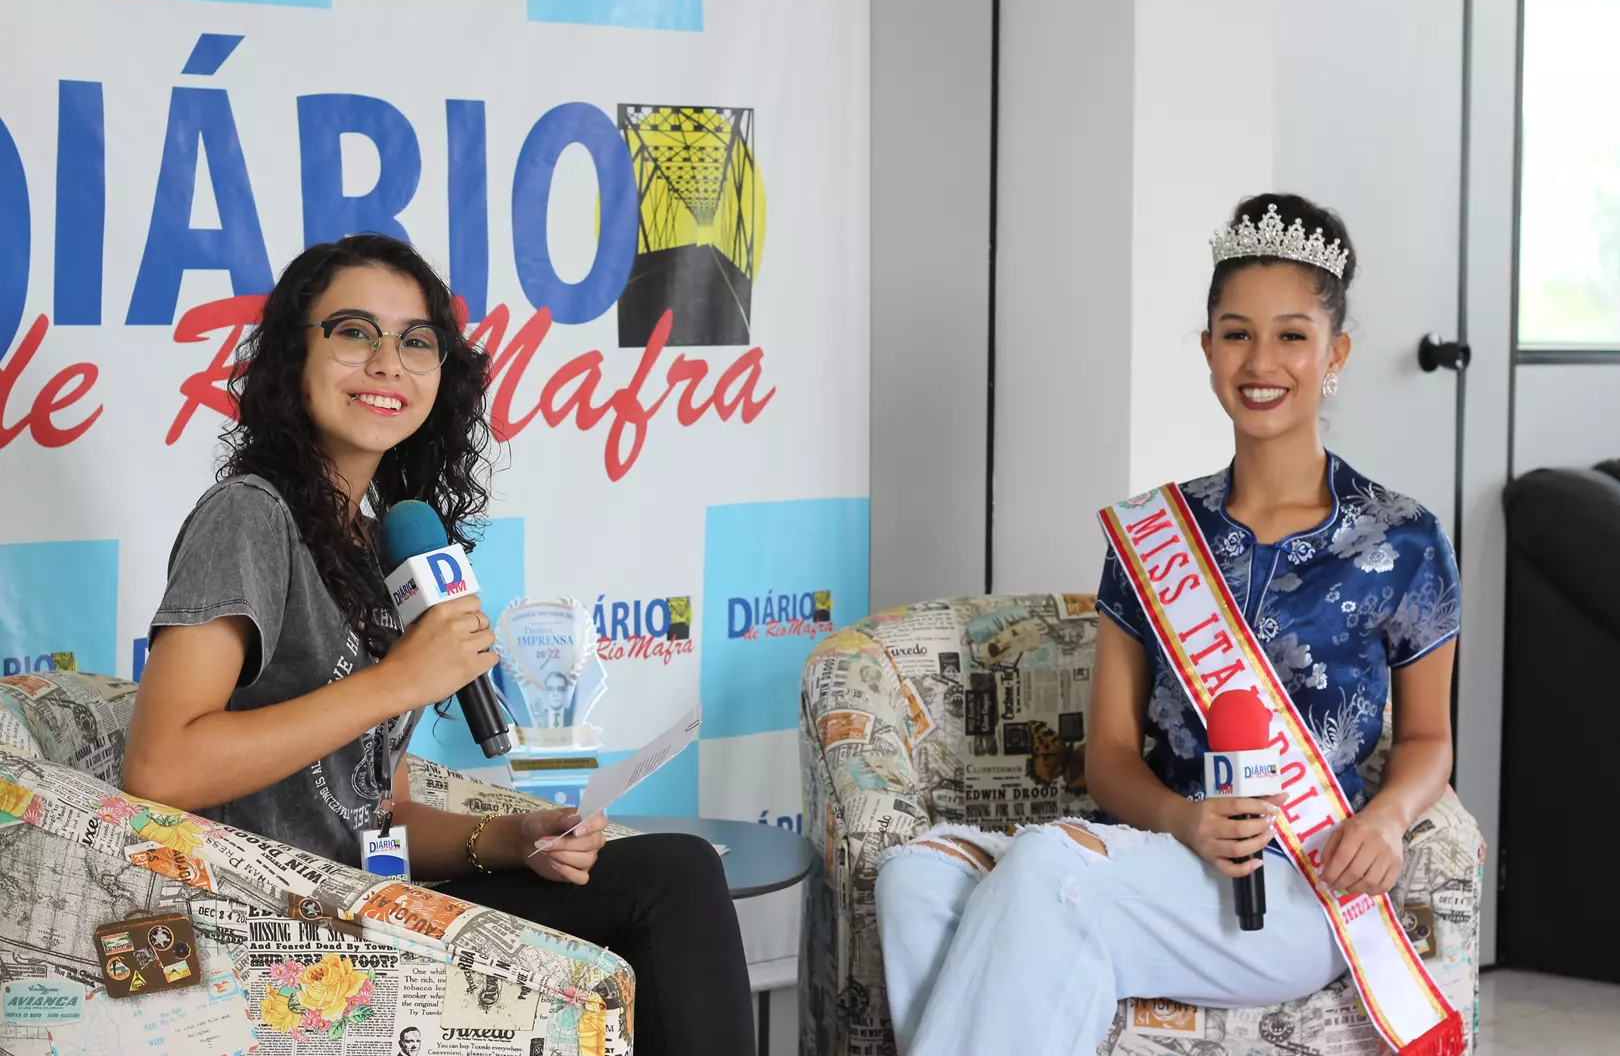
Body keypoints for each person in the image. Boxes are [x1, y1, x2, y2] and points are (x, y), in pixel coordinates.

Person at [124, 233, 753, 1056]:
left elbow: (370, 815)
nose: (389, 361)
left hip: (368, 897)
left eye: (416, 341)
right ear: (291, 356)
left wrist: (511, 841)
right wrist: (398, 681)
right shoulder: (249, 515)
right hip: (275, 927)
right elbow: (159, 770)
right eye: (354, 332)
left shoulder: (376, 538)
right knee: (671, 886)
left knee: (666, 874)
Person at [872, 195, 1461, 1055]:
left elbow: (1429, 738)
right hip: (1162, 856)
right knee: (914, 879)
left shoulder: (1401, 537)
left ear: (1335, 354)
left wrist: (1385, 821)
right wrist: (1183, 822)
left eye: (1292, 335)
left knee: (1046, 872)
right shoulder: (1156, 534)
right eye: (1236, 333)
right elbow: (1108, 758)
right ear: (1207, 350)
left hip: (1300, 886)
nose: (1262, 360)